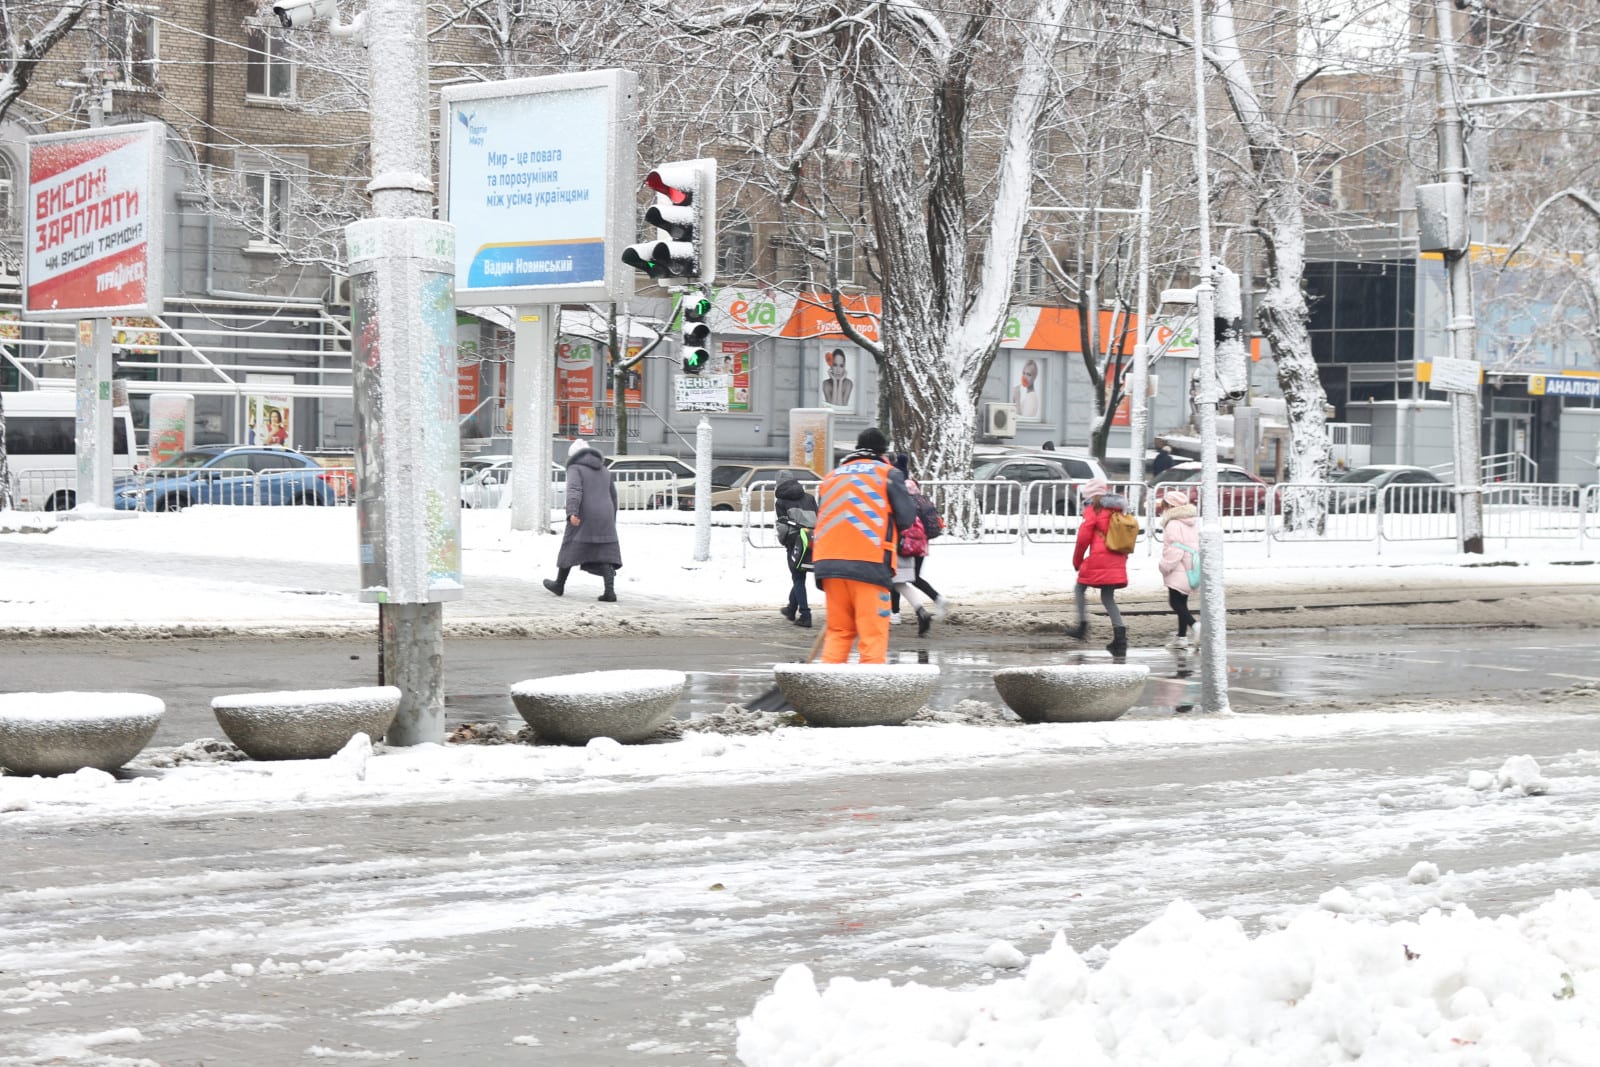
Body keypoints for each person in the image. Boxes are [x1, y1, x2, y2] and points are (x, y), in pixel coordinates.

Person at [813, 426, 916, 663]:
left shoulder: (832, 477)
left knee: (839, 632)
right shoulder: (887, 474)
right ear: (883, 451)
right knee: (872, 635)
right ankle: (867, 694)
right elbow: (907, 517)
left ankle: (828, 691)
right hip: (869, 563)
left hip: (829, 564)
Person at [543, 438, 622, 602]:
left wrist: (572, 512)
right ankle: (610, 591)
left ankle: (559, 584)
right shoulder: (605, 470)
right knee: (605, 550)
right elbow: (613, 496)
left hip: (585, 512)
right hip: (605, 514)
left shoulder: (575, 468)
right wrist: (611, 517)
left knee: (570, 545)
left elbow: (574, 490)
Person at [1066, 478, 1132, 657]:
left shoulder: (1093, 509)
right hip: (1117, 557)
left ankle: (1082, 626)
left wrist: (1077, 561)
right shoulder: (1118, 509)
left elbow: (1083, 537)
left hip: (1100, 558)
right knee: (1108, 597)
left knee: (1079, 588)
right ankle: (1120, 639)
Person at [1157, 489, 1200, 650]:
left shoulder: (1174, 523)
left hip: (1178, 567)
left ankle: (1195, 625)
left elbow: (1175, 549)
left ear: (1170, 506)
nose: (1163, 508)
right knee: (1182, 602)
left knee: (1174, 601)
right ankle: (1181, 637)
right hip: (1190, 566)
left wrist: (1164, 566)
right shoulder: (1190, 521)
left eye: (1164, 504)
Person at [774, 476, 818, 629]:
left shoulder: (780, 501)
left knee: (798, 577)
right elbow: (818, 518)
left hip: (795, 539)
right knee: (800, 574)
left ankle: (805, 615)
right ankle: (791, 609)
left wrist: (785, 541)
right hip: (812, 539)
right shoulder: (810, 498)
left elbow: (783, 525)